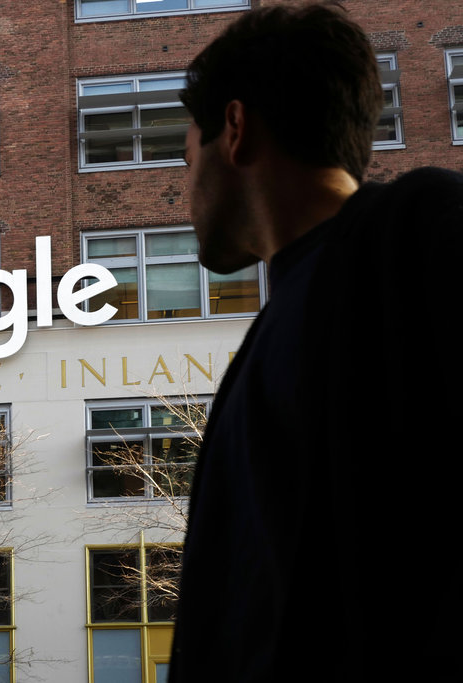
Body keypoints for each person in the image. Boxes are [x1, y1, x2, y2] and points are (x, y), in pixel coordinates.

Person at [171, 4, 463, 681]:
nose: (183, 190)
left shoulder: (416, 229)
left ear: (236, 130)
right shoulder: (293, 313)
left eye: (187, 159)